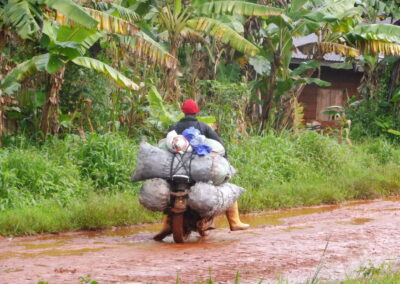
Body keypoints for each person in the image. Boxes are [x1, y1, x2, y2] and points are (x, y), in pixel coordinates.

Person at [154, 99, 249, 241]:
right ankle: (235, 222)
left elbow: (166, 147)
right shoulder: (203, 127)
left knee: (169, 194)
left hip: (176, 171)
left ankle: (166, 224)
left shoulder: (173, 128)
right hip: (198, 171)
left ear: (183, 111)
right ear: (196, 111)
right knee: (227, 187)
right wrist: (226, 162)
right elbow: (220, 145)